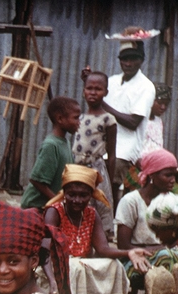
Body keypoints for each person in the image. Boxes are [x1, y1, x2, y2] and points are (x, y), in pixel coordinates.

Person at [42, 165, 148, 294]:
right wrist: (52, 280)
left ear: (91, 195)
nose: (77, 200)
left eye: (83, 195)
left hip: (81, 265)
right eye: (72, 194)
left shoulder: (91, 214)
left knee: (114, 266)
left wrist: (127, 253)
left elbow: (103, 249)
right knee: (75, 267)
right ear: (64, 193)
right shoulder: (54, 212)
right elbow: (44, 251)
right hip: (56, 268)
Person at [96, 39, 155, 196]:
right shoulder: (112, 81)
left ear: (141, 60)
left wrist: (102, 104)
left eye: (133, 59)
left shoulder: (146, 86)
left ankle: (111, 219)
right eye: (124, 59)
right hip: (103, 142)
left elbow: (133, 122)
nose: (128, 64)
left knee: (111, 185)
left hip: (125, 147)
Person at [116, 148, 178, 264]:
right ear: (152, 176)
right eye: (168, 175)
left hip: (166, 255)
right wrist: (158, 250)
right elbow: (123, 245)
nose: (173, 180)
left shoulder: (173, 202)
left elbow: (176, 241)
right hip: (135, 258)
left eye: (174, 175)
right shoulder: (130, 201)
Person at [73, 71, 117, 235]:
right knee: (79, 200)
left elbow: (112, 154)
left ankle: (104, 236)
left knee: (102, 201)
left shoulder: (108, 119)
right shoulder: (79, 117)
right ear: (83, 90)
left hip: (96, 167)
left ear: (106, 92)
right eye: (89, 88)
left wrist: (110, 181)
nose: (93, 92)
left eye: (98, 89)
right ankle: (80, 234)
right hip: (77, 166)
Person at [20, 96, 79, 210]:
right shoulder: (51, 145)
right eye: (75, 118)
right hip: (35, 207)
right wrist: (57, 201)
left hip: (49, 207)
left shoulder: (65, 142)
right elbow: (36, 180)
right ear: (60, 119)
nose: (79, 122)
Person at [141, 84, 170, 155]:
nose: (163, 107)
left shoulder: (158, 121)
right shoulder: (140, 120)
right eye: (160, 103)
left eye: (166, 104)